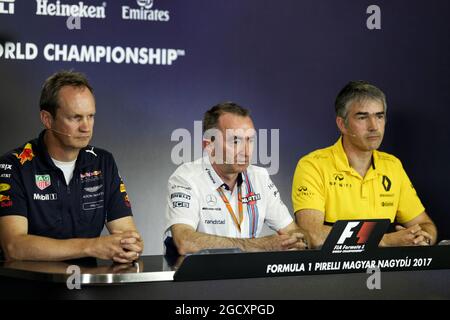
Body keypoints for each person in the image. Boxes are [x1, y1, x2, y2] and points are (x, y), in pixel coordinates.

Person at [0, 70, 143, 263]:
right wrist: (92, 246)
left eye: (90, 116)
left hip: (87, 287)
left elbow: (128, 235)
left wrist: (130, 246)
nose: (86, 127)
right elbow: (14, 247)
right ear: (47, 119)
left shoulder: (103, 162)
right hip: (30, 288)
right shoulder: (14, 165)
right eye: (75, 117)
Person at [292, 80, 437, 248]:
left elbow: (426, 225)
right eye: (363, 117)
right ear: (342, 124)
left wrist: (422, 239)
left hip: (388, 272)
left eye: (379, 116)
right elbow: (312, 235)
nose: (374, 126)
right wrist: (385, 241)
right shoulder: (312, 165)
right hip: (333, 272)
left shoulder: (392, 166)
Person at [165, 102, 306, 255]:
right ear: (209, 145)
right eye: (236, 141)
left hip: (247, 277)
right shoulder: (186, 178)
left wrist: (294, 241)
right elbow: (185, 241)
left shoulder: (260, 177)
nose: (246, 152)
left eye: (250, 140)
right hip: (201, 277)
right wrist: (258, 245)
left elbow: (293, 232)